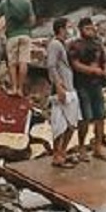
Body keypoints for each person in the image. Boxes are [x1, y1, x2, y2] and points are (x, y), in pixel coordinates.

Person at [69, 17, 106, 162]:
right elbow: (75, 64)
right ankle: (82, 147)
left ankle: (98, 147)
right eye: (87, 28)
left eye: (92, 28)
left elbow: (105, 60)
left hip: (96, 85)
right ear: (81, 30)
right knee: (85, 117)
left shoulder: (98, 45)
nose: (91, 31)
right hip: (82, 85)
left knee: (100, 116)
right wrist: (92, 70)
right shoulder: (76, 45)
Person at [46, 17, 81, 168]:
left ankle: (62, 152)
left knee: (71, 123)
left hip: (69, 87)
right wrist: (59, 86)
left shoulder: (63, 45)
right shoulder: (55, 44)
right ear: (61, 29)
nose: (70, 30)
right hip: (62, 89)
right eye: (68, 27)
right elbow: (51, 66)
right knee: (60, 124)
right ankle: (57, 155)